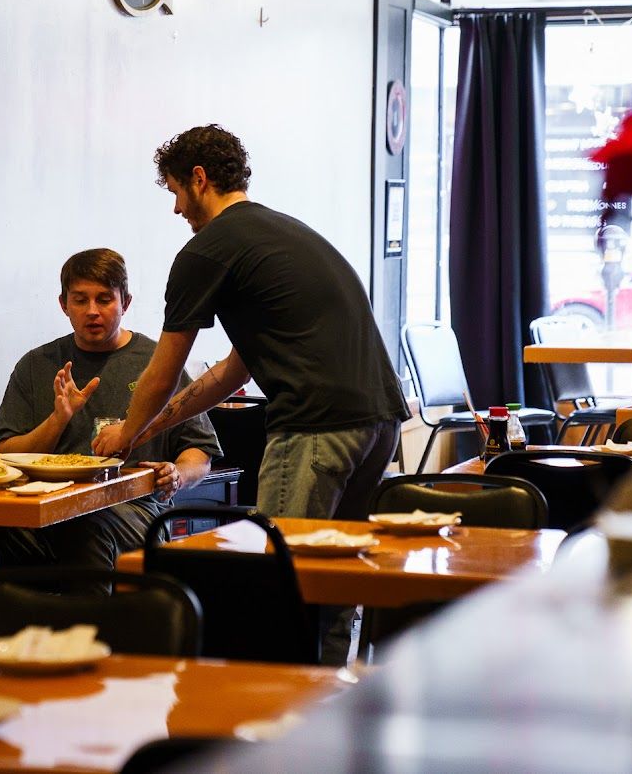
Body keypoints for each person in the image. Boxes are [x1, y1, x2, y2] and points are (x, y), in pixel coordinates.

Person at [92, 126, 409, 662]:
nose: (175, 209)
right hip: (379, 423)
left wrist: (126, 434)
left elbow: (162, 370)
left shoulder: (207, 251)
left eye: (173, 191)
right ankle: (324, 707)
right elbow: (231, 374)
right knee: (331, 584)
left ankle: (273, 722)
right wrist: (153, 428)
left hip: (315, 426)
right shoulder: (283, 235)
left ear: (199, 179)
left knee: (277, 587)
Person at [0, 248, 221, 581]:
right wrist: (59, 418)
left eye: (104, 299)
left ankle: (93, 629)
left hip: (137, 509)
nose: (92, 312)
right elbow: (5, 454)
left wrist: (177, 473)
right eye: (80, 300)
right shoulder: (35, 365)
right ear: (63, 304)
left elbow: (200, 451)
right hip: (47, 507)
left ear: (125, 302)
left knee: (87, 527)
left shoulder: (158, 363)